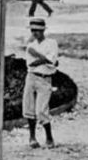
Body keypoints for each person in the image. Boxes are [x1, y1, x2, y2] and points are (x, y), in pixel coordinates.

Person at [21, 17, 59, 149]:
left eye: (37, 30)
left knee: (41, 110)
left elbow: (53, 62)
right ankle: (32, 137)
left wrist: (40, 57)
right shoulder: (31, 45)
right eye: (32, 30)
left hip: (45, 79)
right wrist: (45, 59)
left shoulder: (51, 43)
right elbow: (31, 64)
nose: (34, 32)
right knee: (29, 108)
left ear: (43, 30)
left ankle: (49, 137)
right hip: (31, 77)